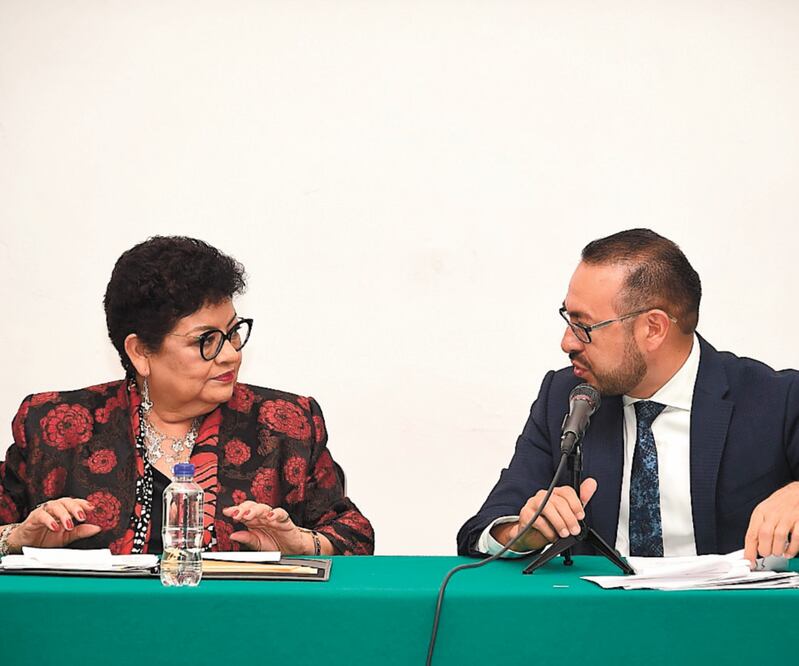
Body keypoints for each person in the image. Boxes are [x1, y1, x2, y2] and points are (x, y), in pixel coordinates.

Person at [0, 236, 374, 557]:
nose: (230, 354)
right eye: (206, 341)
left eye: (233, 332)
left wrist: (302, 544)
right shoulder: (56, 427)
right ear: (141, 352)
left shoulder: (284, 424)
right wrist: (16, 539)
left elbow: (356, 536)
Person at [458, 229, 799, 564]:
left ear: (653, 328)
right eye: (568, 318)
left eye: (584, 326)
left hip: (728, 615)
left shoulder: (775, 400)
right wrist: (522, 530)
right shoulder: (566, 397)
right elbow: (484, 529)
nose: (568, 343)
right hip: (602, 615)